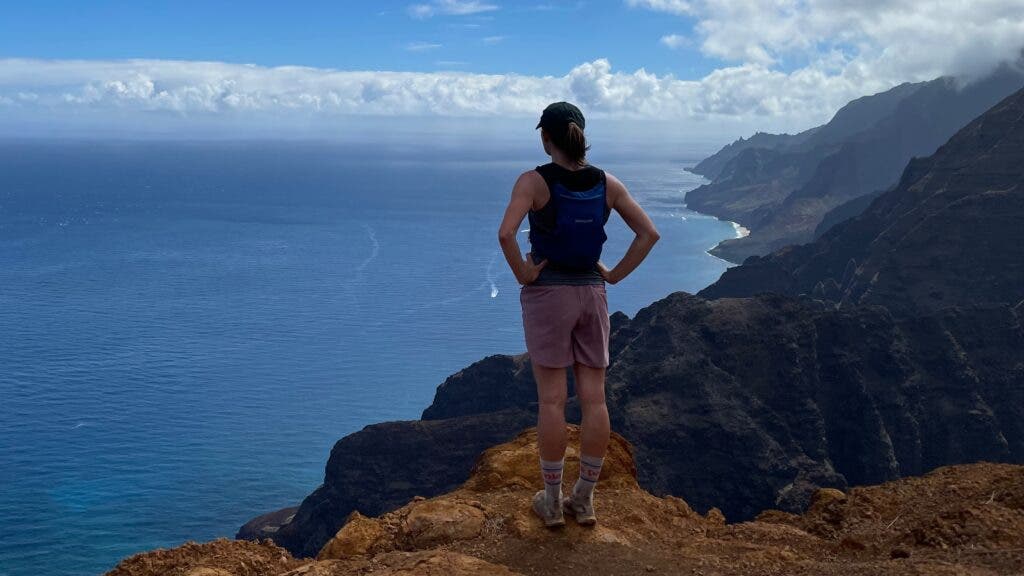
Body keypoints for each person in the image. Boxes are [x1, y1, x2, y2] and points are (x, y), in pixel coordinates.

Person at [497, 101, 660, 527]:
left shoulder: (534, 181)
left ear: (545, 137)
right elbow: (649, 233)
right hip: (592, 292)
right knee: (594, 399)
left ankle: (552, 502)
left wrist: (524, 274)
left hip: (549, 294)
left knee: (552, 399)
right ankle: (584, 499)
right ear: (581, 135)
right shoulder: (607, 183)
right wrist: (616, 275)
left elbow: (506, 233)